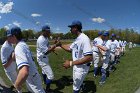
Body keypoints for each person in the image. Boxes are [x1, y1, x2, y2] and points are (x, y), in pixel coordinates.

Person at [59, 20, 93, 93]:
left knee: (75, 88)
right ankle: (81, 85)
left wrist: (70, 63)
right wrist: (60, 45)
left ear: (76, 28)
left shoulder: (84, 38)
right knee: (76, 84)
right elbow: (70, 49)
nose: (70, 29)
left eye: (71, 27)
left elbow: (89, 57)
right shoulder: (77, 39)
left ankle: (80, 87)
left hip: (81, 67)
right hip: (77, 65)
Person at [9, 27, 45, 93]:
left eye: (9, 36)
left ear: (14, 36)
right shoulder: (22, 44)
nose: (8, 39)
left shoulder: (19, 47)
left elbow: (24, 72)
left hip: (31, 77)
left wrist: (16, 85)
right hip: (33, 74)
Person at [36, 25, 60, 92]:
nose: (49, 33)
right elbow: (46, 52)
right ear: (43, 31)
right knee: (51, 76)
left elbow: (48, 47)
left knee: (44, 71)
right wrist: (56, 45)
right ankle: (47, 90)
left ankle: (44, 82)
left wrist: (53, 49)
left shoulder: (45, 38)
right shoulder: (41, 39)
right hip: (42, 59)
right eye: (47, 31)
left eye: (49, 31)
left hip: (44, 58)